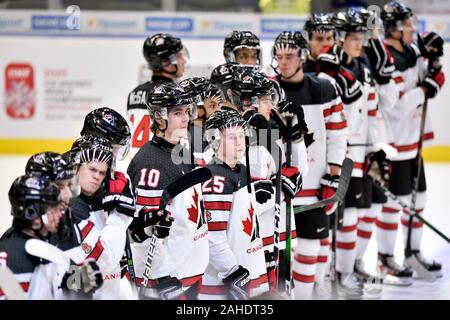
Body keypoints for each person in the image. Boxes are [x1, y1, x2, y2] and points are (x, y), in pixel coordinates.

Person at [272, 31, 348, 299]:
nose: (283, 62)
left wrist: (334, 176)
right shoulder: (269, 90)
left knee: (311, 249)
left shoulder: (324, 88)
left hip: (314, 186)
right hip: (279, 190)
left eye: (289, 56)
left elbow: (339, 133)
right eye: (279, 56)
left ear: (303, 57)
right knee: (279, 255)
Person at [375, 1, 445, 283]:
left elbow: (435, 79)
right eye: (407, 24)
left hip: (413, 141)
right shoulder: (385, 59)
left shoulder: (413, 51)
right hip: (394, 142)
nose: (412, 29)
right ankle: (385, 259)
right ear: (392, 28)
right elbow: (396, 105)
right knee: (395, 204)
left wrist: (436, 60)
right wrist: (424, 89)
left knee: (420, 200)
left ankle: (412, 252)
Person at [127, 82, 209, 300]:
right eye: (177, 112)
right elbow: (143, 231)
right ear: (160, 117)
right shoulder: (150, 165)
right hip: (169, 280)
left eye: (187, 111)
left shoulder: (181, 151)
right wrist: (161, 276)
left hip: (190, 270)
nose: (186, 118)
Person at [0, 174, 103, 299]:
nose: (60, 214)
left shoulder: (49, 246)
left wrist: (77, 286)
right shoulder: (10, 258)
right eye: (54, 209)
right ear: (33, 214)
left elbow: (67, 285)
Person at [67, 135, 136, 299]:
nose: (97, 176)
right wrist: (121, 214)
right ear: (75, 167)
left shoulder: (102, 197)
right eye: (92, 169)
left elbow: (125, 239)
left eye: (102, 172)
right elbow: (105, 260)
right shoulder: (68, 208)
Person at [127, 33, 188, 156]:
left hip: (136, 161)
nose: (183, 61)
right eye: (179, 56)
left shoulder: (134, 92)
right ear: (166, 62)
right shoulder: (174, 94)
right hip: (160, 161)